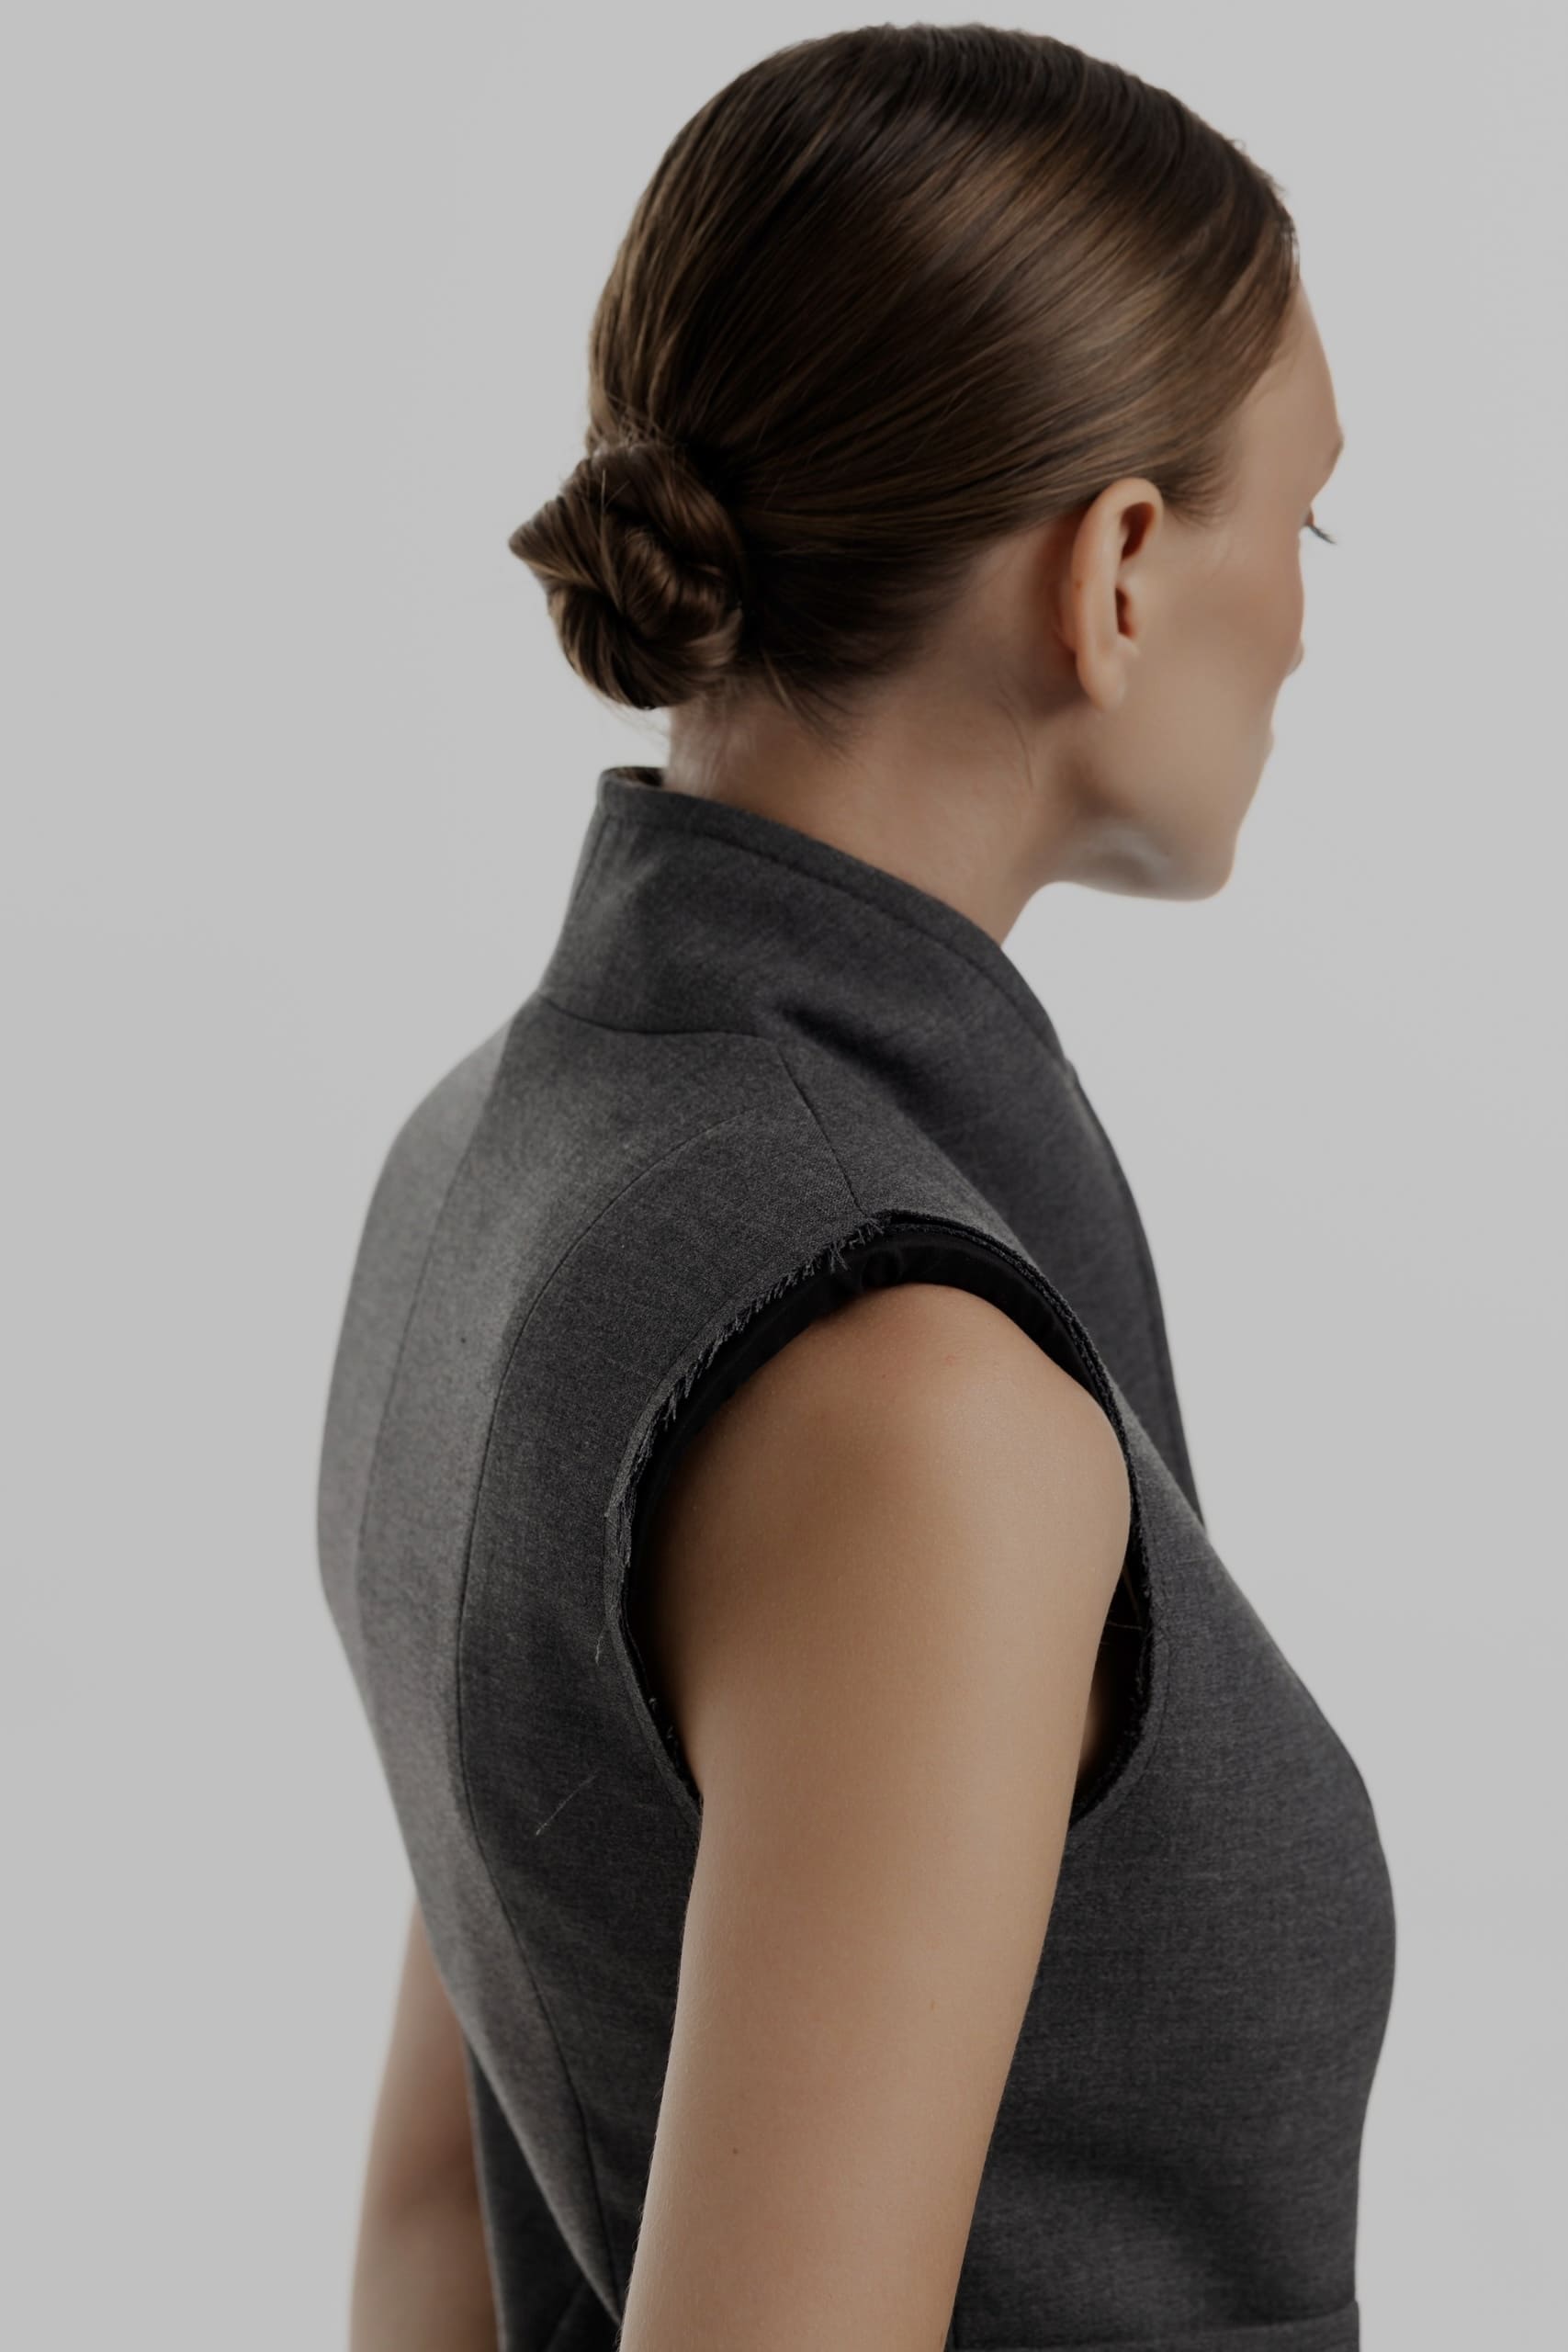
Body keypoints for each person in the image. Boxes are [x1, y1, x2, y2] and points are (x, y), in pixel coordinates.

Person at [319, 25, 1394, 2352]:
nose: (1308, 621)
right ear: (1117, 568)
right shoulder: (910, 1396)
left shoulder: (483, 1157)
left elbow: (432, 2237)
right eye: (1300, 526)